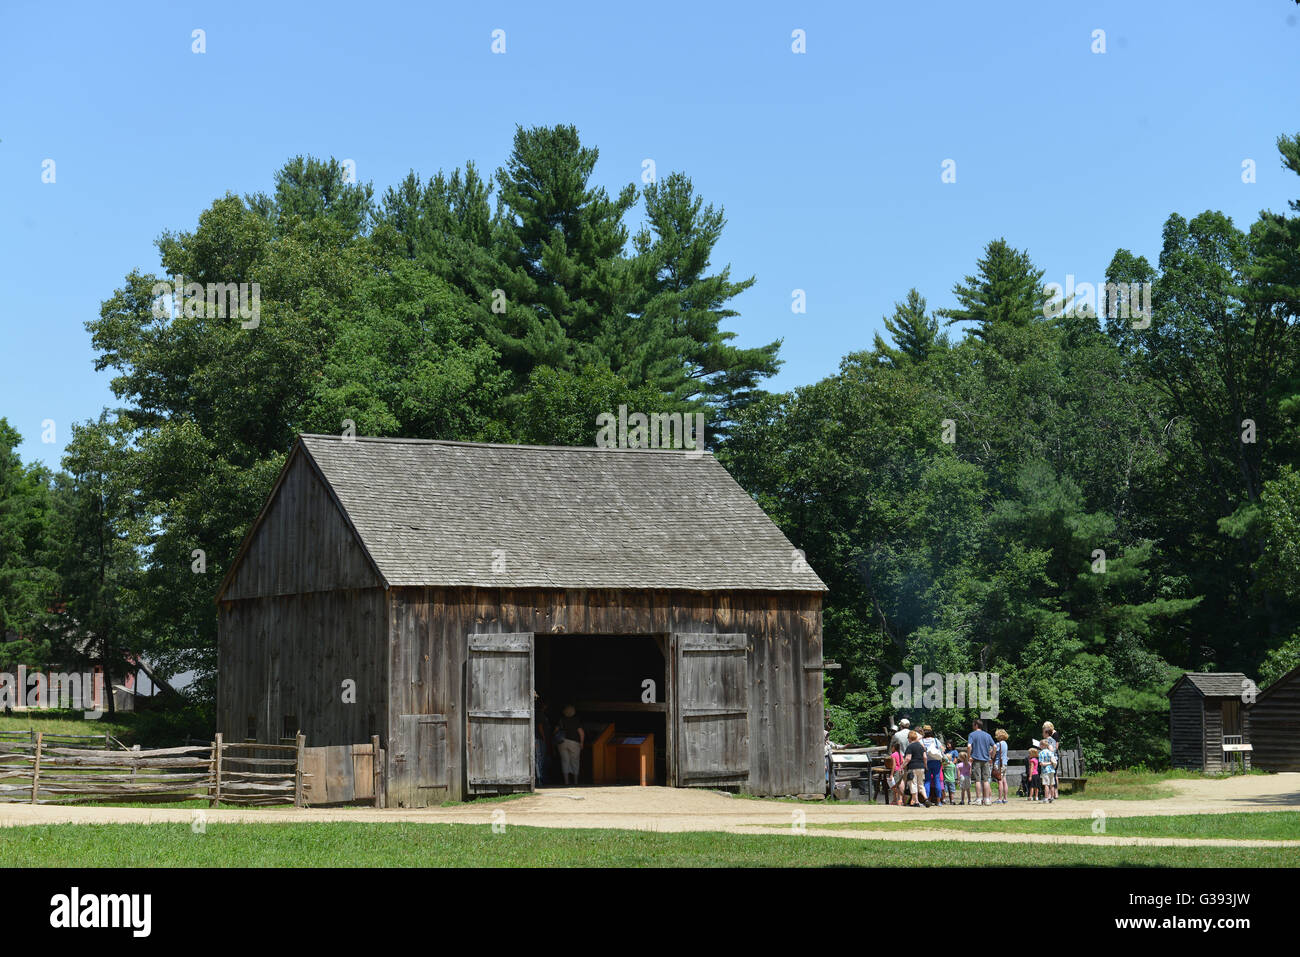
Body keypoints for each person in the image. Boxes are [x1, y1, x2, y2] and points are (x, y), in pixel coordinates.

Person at [967, 718, 995, 805]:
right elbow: (995, 746)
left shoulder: (972, 734)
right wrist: (992, 756)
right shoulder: (987, 735)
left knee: (978, 780)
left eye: (973, 724)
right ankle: (986, 799)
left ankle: (978, 799)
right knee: (986, 780)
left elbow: (969, 746)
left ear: (976, 725)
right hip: (986, 760)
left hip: (976, 760)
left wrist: (969, 757)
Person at [557, 704, 584, 785]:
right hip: (574, 743)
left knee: (565, 761)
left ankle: (566, 782)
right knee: (575, 761)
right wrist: (582, 743)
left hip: (562, 742)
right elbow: (581, 732)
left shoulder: (561, 720)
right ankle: (575, 782)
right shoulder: (576, 720)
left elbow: (555, 731)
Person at [921, 725, 944, 805]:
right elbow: (942, 749)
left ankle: (926, 800)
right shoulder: (935, 740)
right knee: (937, 780)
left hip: (926, 762)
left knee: (927, 781)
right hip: (936, 762)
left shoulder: (922, 741)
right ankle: (938, 801)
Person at [904, 730, 927, 807]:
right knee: (921, 785)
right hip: (921, 767)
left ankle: (916, 801)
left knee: (913, 784)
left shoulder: (910, 746)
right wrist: (925, 766)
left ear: (910, 738)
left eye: (908, 738)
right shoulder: (921, 746)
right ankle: (926, 799)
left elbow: (908, 758)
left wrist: (902, 766)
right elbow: (925, 757)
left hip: (913, 767)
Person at [534, 696, 551, 786]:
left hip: (539, 738)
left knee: (540, 758)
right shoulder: (540, 714)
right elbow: (540, 726)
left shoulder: (541, 714)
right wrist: (544, 737)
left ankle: (540, 778)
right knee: (540, 758)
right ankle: (540, 779)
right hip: (539, 739)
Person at [993, 728, 1010, 804]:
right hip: (1005, 763)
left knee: (999, 781)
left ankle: (999, 799)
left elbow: (993, 754)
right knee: (1004, 781)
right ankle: (1005, 798)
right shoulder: (1005, 744)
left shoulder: (998, 744)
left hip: (999, 764)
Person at [889, 740, 906, 806]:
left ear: (893, 747)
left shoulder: (893, 755)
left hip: (896, 771)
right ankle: (897, 800)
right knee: (899, 785)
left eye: (891, 747)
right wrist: (901, 768)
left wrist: (891, 774)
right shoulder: (900, 754)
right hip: (901, 771)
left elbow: (894, 765)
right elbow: (903, 762)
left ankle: (903, 797)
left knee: (893, 786)